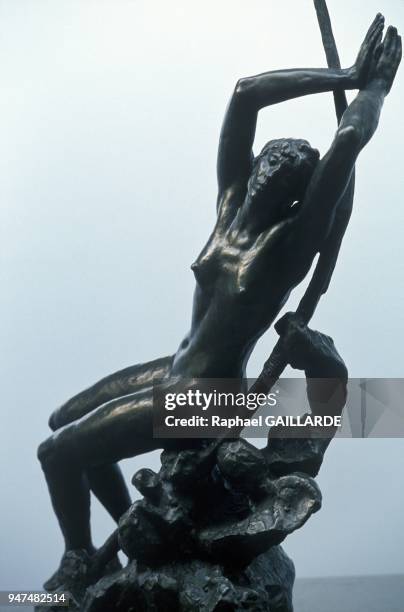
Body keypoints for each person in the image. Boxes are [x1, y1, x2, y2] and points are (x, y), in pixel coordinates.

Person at [38, 15, 401, 588]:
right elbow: (245, 95)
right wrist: (345, 72)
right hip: (174, 368)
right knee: (62, 420)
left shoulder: (288, 247)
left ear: (293, 197)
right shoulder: (229, 207)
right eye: (268, 162)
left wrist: (374, 91)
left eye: (284, 174)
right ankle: (140, 538)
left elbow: (349, 141)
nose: (267, 173)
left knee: (56, 454)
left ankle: (79, 557)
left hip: (208, 399)